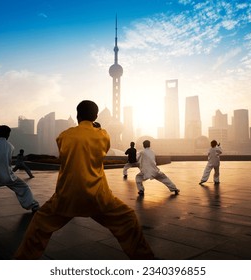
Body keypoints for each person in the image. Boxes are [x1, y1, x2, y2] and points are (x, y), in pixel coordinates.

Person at [15, 100, 154, 260]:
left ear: (77, 115)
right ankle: (145, 260)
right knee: (127, 219)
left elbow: (64, 152)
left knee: (39, 224)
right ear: (95, 116)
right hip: (98, 197)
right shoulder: (103, 135)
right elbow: (103, 149)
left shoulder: (64, 135)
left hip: (66, 197)